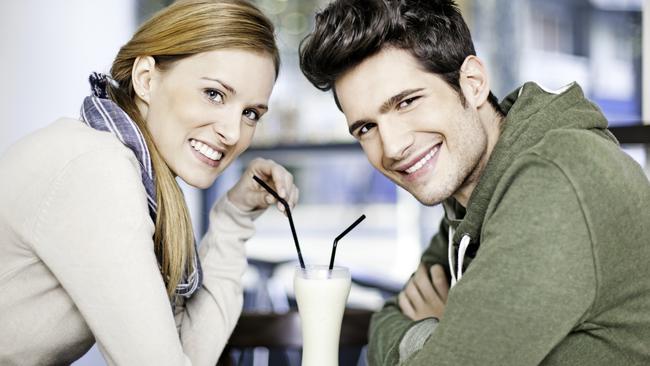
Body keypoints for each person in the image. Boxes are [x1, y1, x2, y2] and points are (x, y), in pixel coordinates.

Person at [299, 0, 650, 364]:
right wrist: (442, 336)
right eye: (366, 127)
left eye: (406, 102)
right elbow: (389, 317)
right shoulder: (470, 198)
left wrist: (433, 331)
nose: (392, 147)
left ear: (473, 83)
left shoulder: (558, 178)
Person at [0, 0, 299, 364]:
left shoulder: (139, 179)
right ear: (145, 79)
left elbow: (187, 353)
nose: (233, 132)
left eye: (250, 113)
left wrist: (234, 217)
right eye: (214, 94)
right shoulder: (96, 169)